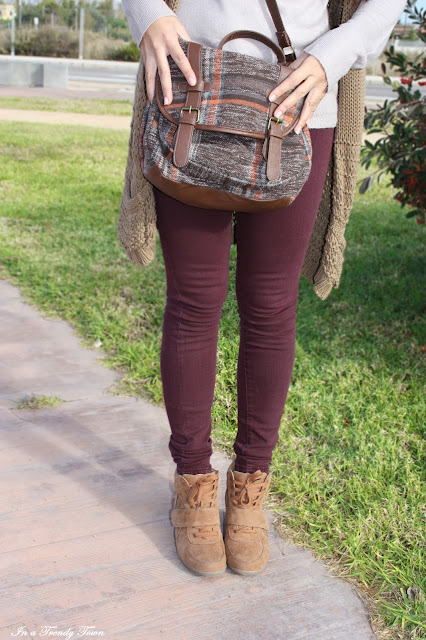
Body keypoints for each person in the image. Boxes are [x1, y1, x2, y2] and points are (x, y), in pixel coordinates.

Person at [121, 0, 407, 577]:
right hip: (192, 88)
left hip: (300, 101)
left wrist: (335, 54)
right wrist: (147, 11)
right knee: (194, 303)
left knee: (272, 307)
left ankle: (250, 490)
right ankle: (194, 487)